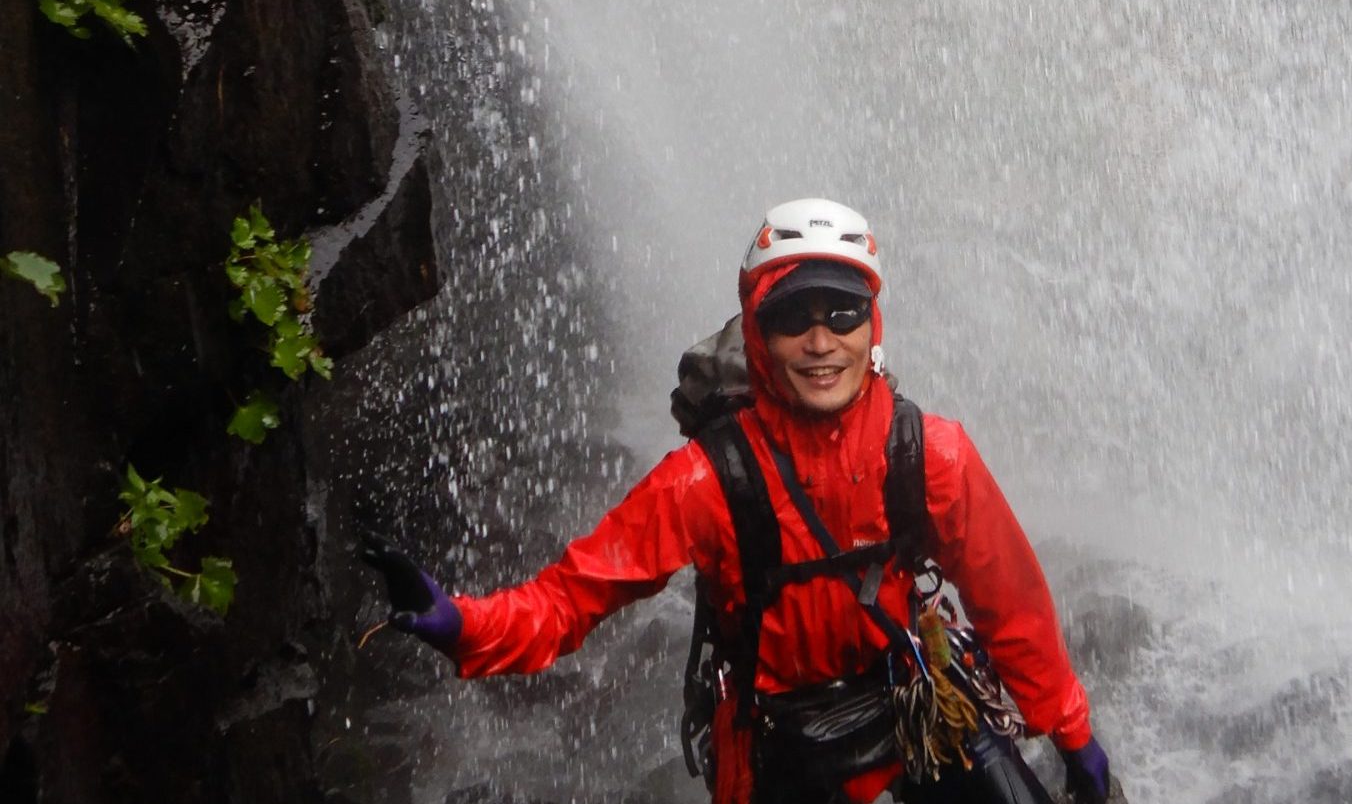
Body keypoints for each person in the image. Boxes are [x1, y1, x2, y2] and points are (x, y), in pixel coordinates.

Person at [361, 198, 1118, 804]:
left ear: (871, 324)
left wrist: (1074, 738)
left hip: (911, 704)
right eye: (794, 318)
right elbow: (569, 600)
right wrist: (464, 627)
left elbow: (1012, 608)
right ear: (759, 336)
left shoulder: (928, 455)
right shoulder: (708, 481)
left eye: (842, 313)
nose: (821, 342)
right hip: (775, 744)